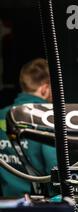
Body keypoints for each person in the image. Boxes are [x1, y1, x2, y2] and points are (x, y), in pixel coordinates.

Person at [0, 58, 56, 196]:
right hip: (36, 206)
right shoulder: (46, 117)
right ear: (45, 89)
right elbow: (54, 168)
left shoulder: (2, 114)